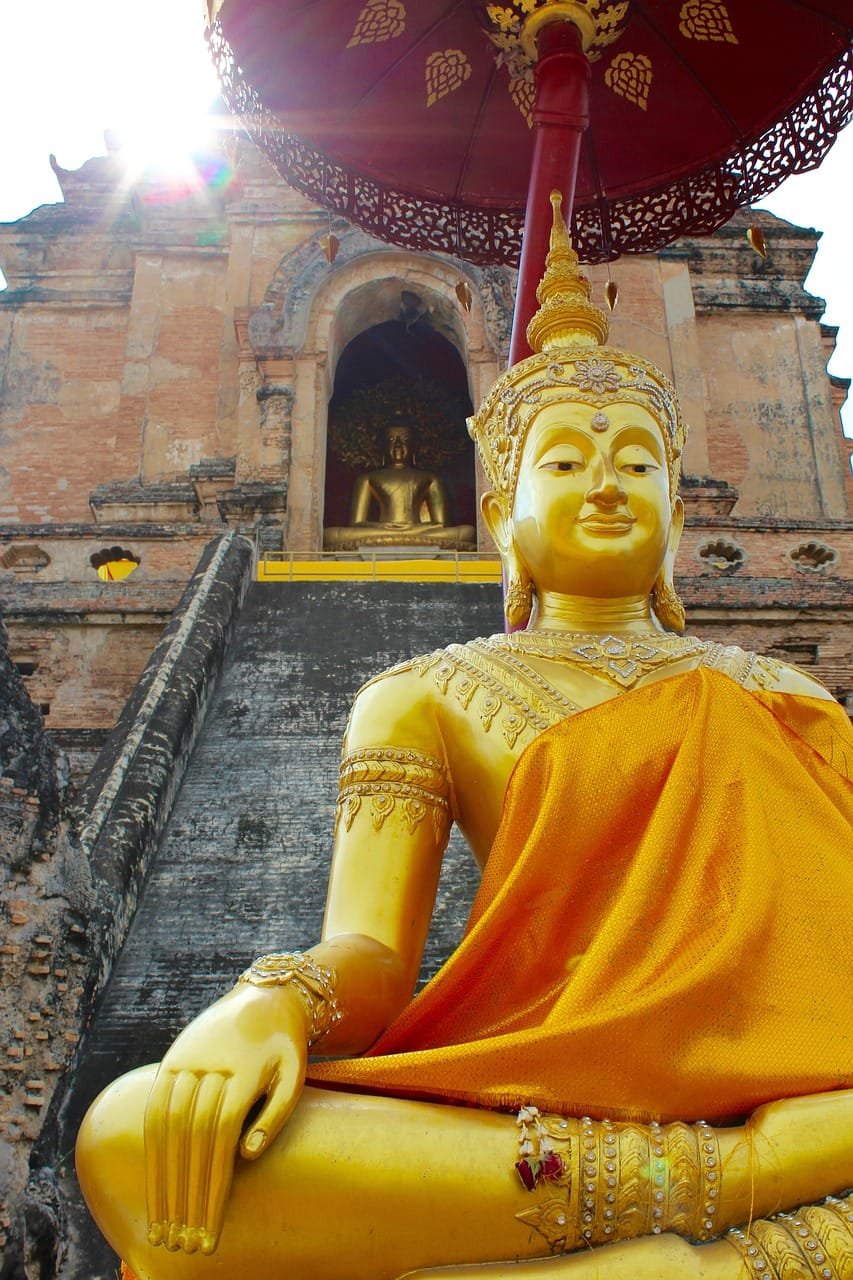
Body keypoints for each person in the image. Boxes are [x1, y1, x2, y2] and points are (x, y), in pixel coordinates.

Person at [76, 196, 853, 1280]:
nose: (605, 484)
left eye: (638, 463)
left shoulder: (785, 695)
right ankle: (748, 1203)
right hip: (540, 1092)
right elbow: (376, 959)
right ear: (501, 510)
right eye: (567, 462)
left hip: (804, 1085)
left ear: (681, 507)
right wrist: (270, 1003)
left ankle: (702, 1233)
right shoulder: (426, 693)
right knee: (134, 1136)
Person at [324, 422, 476, 550]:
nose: (397, 445)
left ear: (414, 447)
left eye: (404, 439)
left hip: (417, 531)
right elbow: (356, 523)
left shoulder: (430, 479)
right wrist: (382, 527)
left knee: (467, 532)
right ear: (382, 447)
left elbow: (442, 524)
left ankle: (404, 536)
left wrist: (412, 528)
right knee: (330, 535)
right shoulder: (367, 479)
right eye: (391, 439)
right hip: (382, 532)